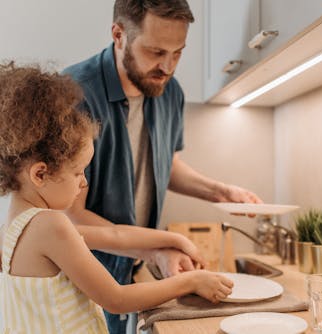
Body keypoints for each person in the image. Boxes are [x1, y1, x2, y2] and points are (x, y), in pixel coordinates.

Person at [63, 0, 262, 332]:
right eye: (156, 52)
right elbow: (72, 217)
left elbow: (165, 166)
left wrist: (220, 192)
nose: (167, 67)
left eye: (178, 53)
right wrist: (157, 248)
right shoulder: (75, 93)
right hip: (85, 277)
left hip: (133, 268)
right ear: (119, 34)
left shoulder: (169, 92)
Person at [0, 63, 233, 334]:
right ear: (40, 174)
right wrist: (191, 282)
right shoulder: (51, 226)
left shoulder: (13, 229)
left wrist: (175, 239)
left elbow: (114, 235)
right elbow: (117, 299)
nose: (84, 181)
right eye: (77, 172)